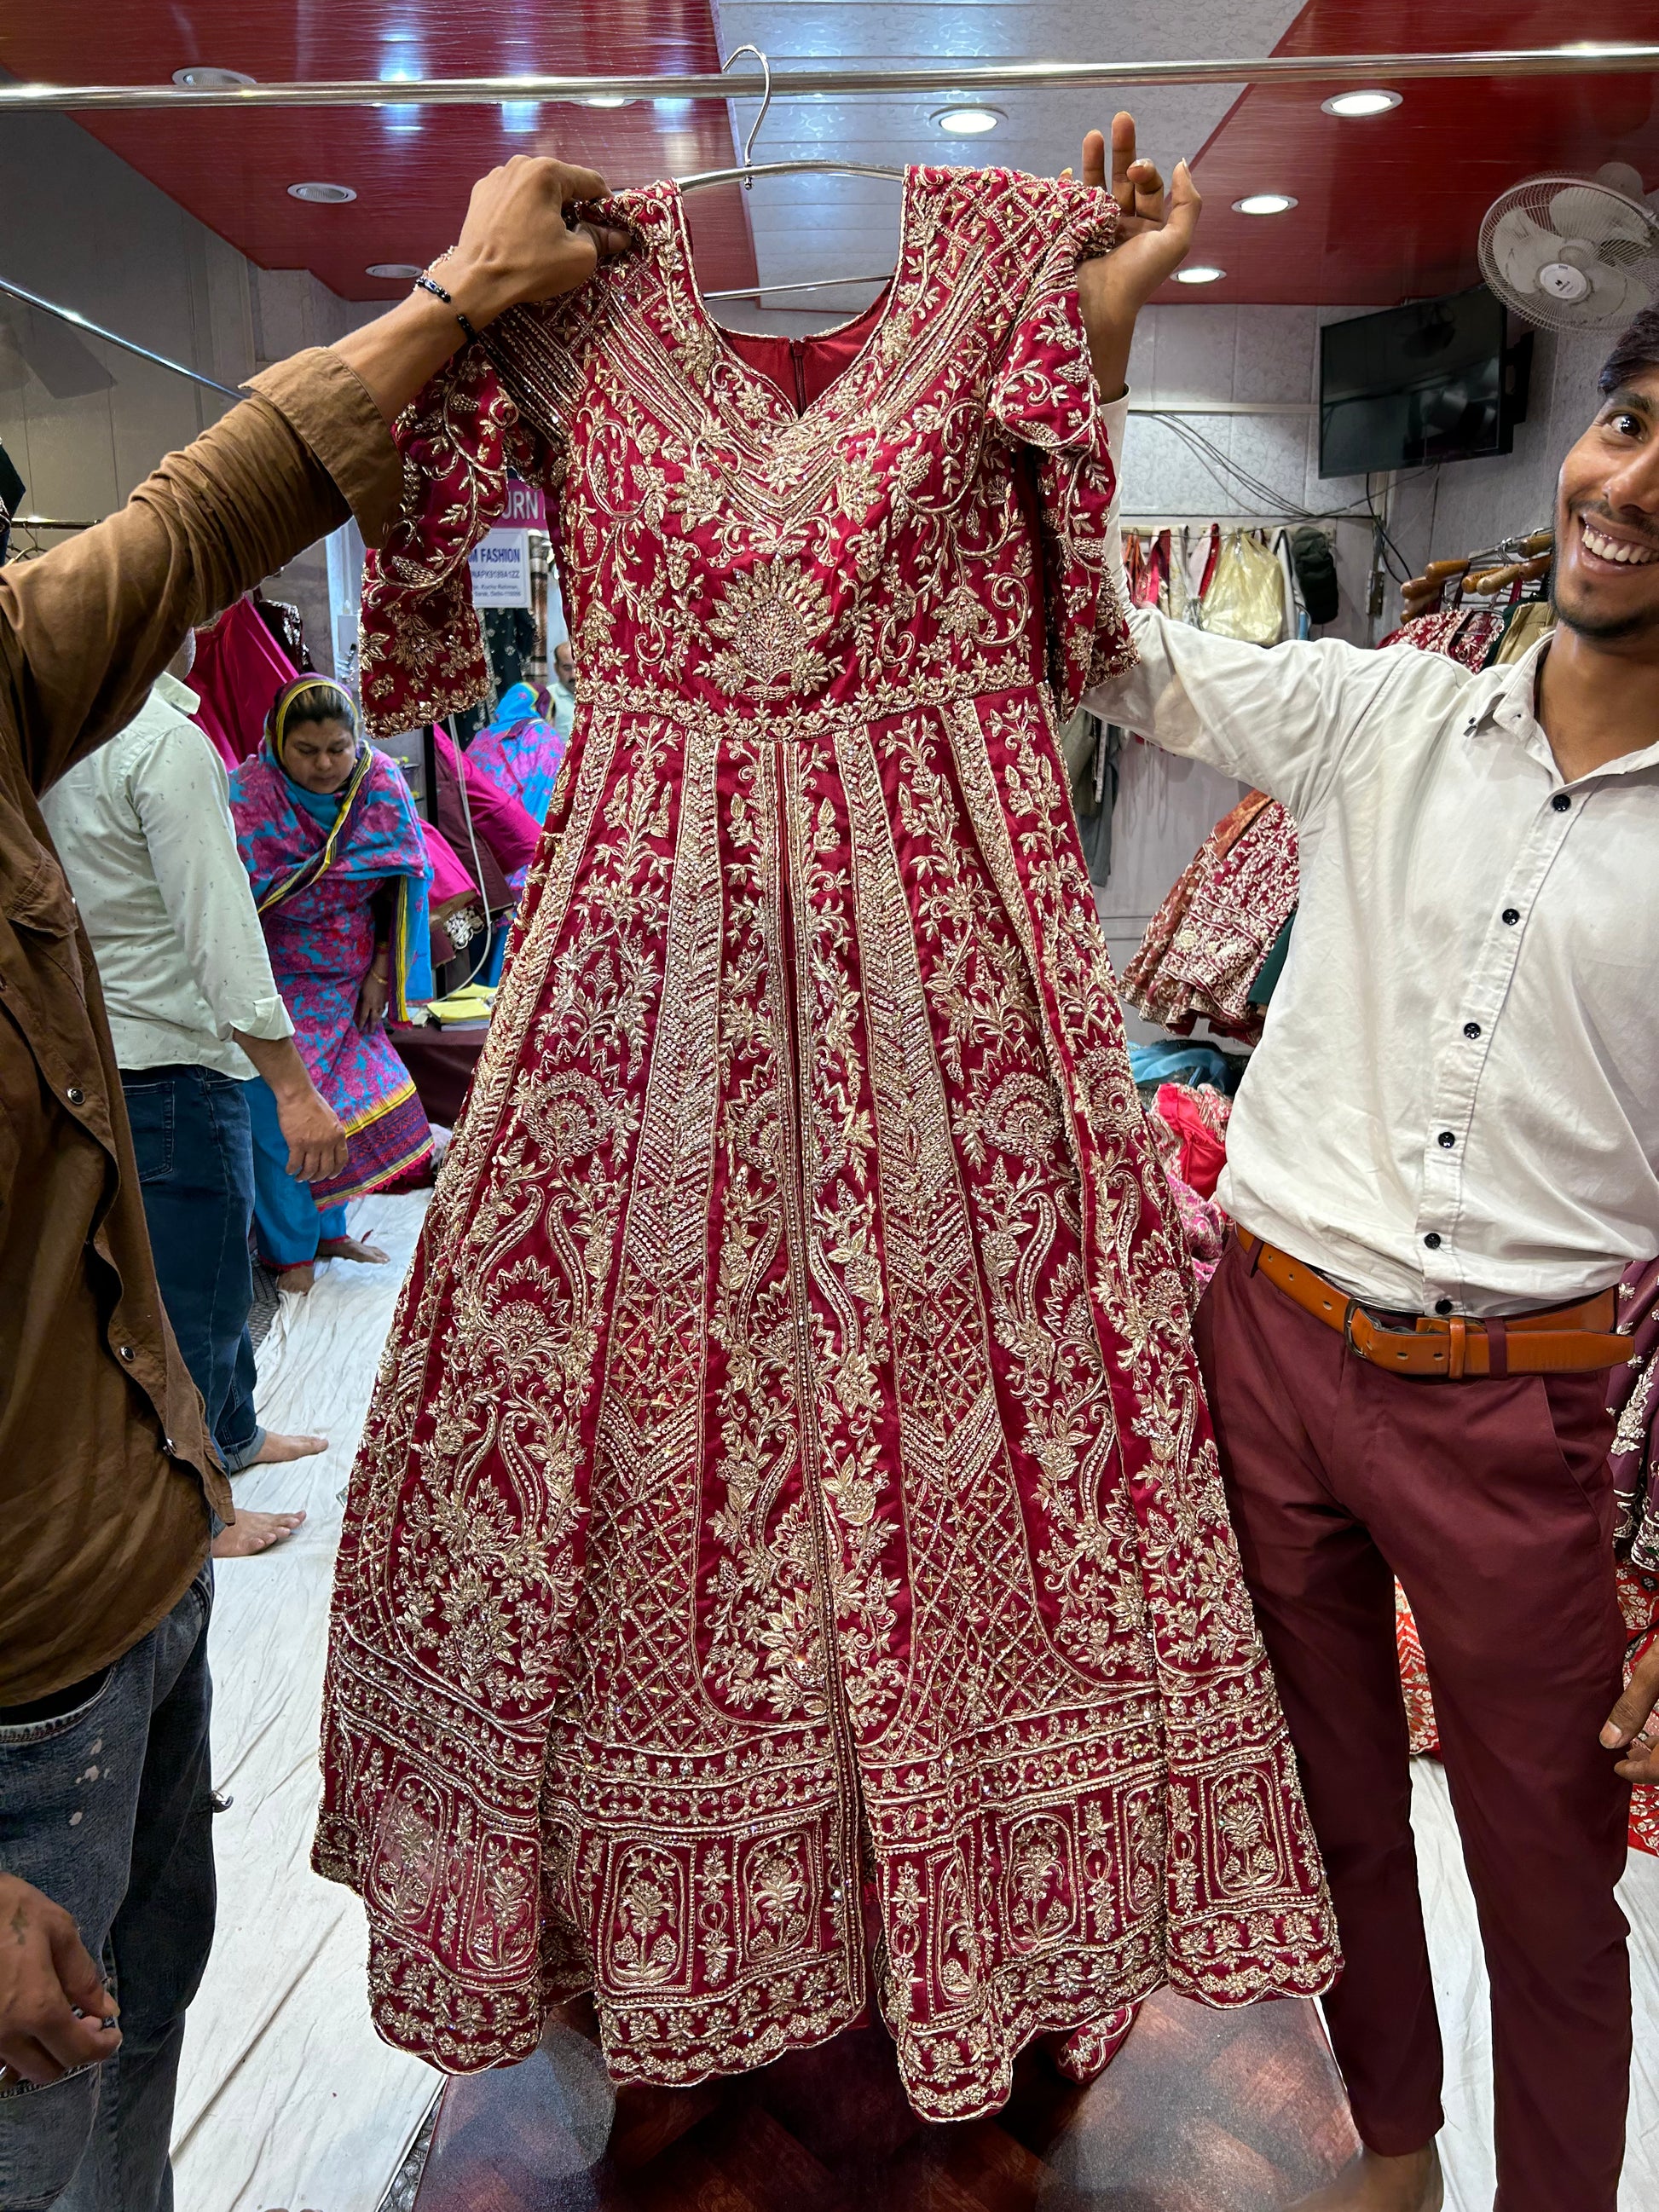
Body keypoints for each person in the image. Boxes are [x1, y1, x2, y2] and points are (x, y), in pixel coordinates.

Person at [0, 154, 627, 2211]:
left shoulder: (24, 690)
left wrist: (451, 297)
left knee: (136, 2040)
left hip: (127, 1583)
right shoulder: (162, 757)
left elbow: (201, 510)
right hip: (16, 1707)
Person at [1074, 113, 1659, 2212]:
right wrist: (1109, 331)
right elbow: (1096, 640)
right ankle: (1393, 2150)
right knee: (1324, 1811)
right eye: (1629, 426)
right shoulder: (1384, 716)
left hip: (1517, 1405)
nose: (1626, 486)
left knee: (1549, 1877)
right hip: (1269, 1347)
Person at [39, 627, 344, 1560]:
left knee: (202, 1272)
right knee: (193, 1296)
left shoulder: (65, 729)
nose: (202, 628)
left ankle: (234, 1438)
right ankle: (195, 1511)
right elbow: (218, 930)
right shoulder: (158, 742)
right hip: (172, 1058)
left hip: (108, 1053)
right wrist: (292, 1087)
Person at [228, 679, 436, 1294]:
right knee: (280, 1121)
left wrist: (381, 973)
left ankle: (328, 1232)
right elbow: (225, 905)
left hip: (350, 982)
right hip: (272, 984)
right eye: (307, 750)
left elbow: (401, 881)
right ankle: (289, 1254)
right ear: (277, 744)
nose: (324, 765)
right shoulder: (247, 796)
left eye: (337, 749)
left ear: (357, 742)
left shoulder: (379, 786)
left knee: (339, 1108)